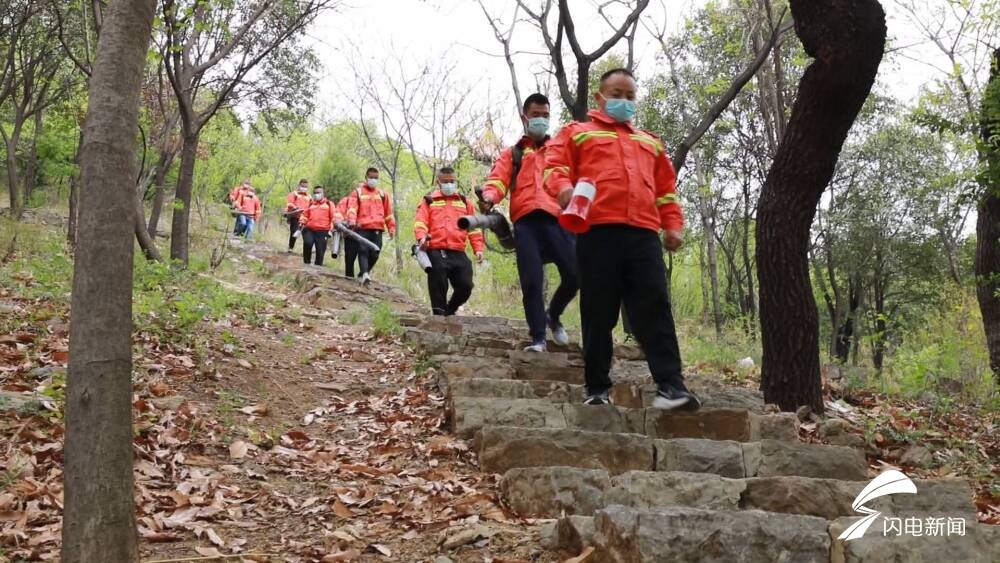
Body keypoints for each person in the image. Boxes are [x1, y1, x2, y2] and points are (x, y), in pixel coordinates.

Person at [543, 68, 699, 411]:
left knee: (655, 307)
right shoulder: (578, 133)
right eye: (616, 94)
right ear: (600, 98)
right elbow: (554, 166)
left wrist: (672, 225)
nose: (623, 101)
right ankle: (597, 386)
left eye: (630, 96)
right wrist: (564, 190)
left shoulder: (649, 141)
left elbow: (665, 191)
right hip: (597, 232)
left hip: (644, 234)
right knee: (599, 311)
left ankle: (671, 385)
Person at [481, 93, 578, 353]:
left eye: (545, 115)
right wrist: (489, 197)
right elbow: (498, 181)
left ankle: (553, 314)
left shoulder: (559, 149)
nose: (541, 119)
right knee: (531, 281)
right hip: (525, 223)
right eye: (536, 115)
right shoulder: (513, 154)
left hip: (558, 219)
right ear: (525, 117)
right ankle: (538, 338)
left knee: (575, 274)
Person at [414, 167, 485, 316]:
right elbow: (420, 222)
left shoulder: (465, 202)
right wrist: (421, 238)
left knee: (466, 285)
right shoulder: (429, 200)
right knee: (438, 283)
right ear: (438, 182)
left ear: (456, 181)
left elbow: (473, 228)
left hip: (458, 251)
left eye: (452, 181)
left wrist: (478, 248)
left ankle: (450, 310)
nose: (449, 184)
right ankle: (439, 316)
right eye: (445, 182)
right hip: (436, 250)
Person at [345, 168, 396, 286]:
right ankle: (365, 274)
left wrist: (391, 228)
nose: (373, 180)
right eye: (371, 177)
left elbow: (388, 214)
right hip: (362, 227)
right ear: (366, 178)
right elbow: (352, 208)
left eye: (376, 178)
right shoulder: (357, 192)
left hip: (377, 228)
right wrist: (352, 220)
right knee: (363, 250)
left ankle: (363, 273)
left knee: (375, 253)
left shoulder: (383, 194)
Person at [300, 185, 335, 267]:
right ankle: (306, 264)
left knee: (320, 252)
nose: (316, 194)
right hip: (310, 229)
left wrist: (331, 229)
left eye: (318, 193)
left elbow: (333, 218)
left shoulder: (329, 204)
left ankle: (317, 269)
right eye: (315, 193)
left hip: (323, 231)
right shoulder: (311, 204)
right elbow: (305, 215)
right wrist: (302, 221)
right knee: (307, 243)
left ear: (323, 193)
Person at [286, 179, 312, 253]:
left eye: (306, 186)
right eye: (303, 186)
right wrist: (295, 207)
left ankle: (306, 252)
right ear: (299, 186)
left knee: (306, 235)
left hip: (305, 218)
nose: (304, 188)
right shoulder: (294, 194)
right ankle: (290, 247)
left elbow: (312, 206)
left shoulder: (309, 197)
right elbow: (289, 203)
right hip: (295, 216)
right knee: (294, 232)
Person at [337, 194, 357, 277]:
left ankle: (363, 274)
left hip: (365, 231)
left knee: (366, 255)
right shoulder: (346, 201)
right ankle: (349, 276)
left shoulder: (371, 199)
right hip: (349, 232)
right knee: (349, 256)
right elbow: (339, 213)